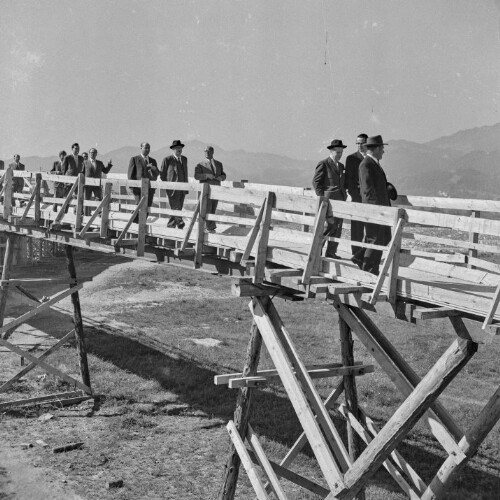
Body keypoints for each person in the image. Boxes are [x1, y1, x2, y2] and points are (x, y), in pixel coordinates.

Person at [356, 135, 397, 275]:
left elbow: (376, 186)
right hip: (375, 211)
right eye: (382, 148)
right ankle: (369, 270)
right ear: (376, 149)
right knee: (376, 239)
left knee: (384, 238)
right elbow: (367, 191)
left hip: (381, 210)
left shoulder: (373, 163)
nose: (384, 152)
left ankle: (360, 258)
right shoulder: (366, 164)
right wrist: (376, 211)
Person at [312, 139, 347, 258]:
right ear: (331, 151)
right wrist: (323, 199)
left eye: (341, 153)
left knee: (338, 228)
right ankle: (317, 252)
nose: (340, 155)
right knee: (328, 227)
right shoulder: (324, 164)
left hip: (341, 201)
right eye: (337, 153)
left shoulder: (341, 166)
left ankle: (331, 253)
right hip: (328, 203)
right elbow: (316, 183)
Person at [345, 133, 368, 263]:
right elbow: (349, 181)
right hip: (357, 199)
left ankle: (364, 254)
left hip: (369, 200)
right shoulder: (351, 158)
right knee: (357, 228)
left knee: (370, 228)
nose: (359, 145)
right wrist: (356, 197)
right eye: (357, 143)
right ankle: (356, 254)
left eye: (362, 143)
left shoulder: (370, 158)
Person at [194, 146, 226, 232]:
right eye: (205, 151)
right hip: (206, 190)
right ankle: (210, 228)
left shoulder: (219, 164)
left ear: (213, 152)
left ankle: (207, 227)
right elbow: (196, 176)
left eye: (209, 151)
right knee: (207, 208)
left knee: (213, 209)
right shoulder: (200, 165)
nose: (207, 153)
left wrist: (221, 178)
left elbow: (224, 174)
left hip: (216, 190)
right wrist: (206, 176)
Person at [160, 140, 188, 229]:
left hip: (183, 188)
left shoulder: (184, 159)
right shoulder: (167, 160)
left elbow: (185, 173)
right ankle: (180, 222)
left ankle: (170, 226)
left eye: (180, 148)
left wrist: (186, 186)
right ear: (173, 149)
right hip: (172, 189)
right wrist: (168, 185)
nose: (178, 150)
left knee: (178, 208)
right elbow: (162, 174)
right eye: (176, 148)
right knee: (176, 207)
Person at [127, 142, 159, 215]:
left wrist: (152, 168)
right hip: (138, 189)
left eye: (148, 148)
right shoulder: (135, 159)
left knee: (148, 207)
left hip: (150, 189)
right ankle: (135, 223)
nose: (147, 149)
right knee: (139, 206)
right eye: (145, 148)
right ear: (141, 148)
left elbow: (157, 173)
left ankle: (142, 224)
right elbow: (130, 175)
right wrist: (132, 188)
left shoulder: (153, 161)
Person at [83, 148, 113, 215]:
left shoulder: (99, 163)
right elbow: (82, 173)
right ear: (89, 153)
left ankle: (99, 214)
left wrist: (109, 165)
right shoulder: (85, 162)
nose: (92, 154)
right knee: (87, 200)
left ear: (96, 154)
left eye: (94, 152)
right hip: (88, 184)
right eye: (91, 152)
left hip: (97, 184)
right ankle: (86, 214)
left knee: (99, 199)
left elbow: (105, 171)